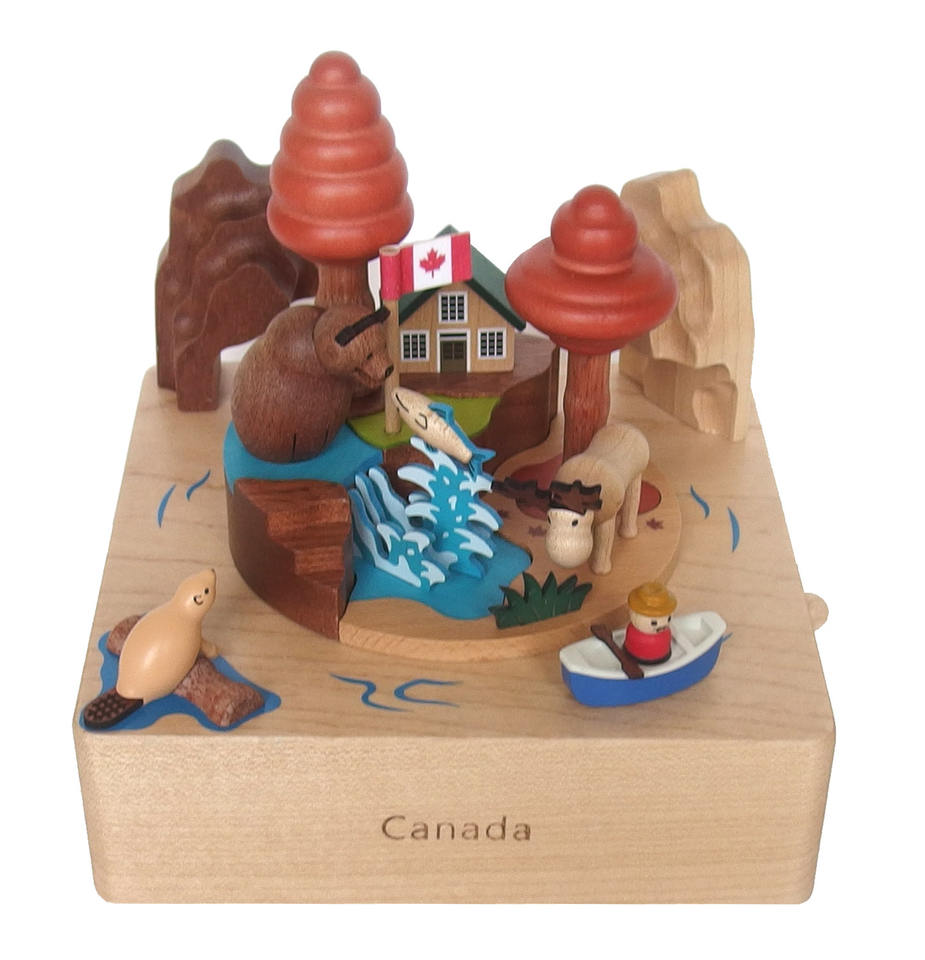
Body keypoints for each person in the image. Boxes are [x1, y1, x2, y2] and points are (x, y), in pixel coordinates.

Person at [624, 582, 677, 664]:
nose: (662, 625)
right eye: (654, 623)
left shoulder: (666, 633)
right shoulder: (633, 633)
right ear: (632, 613)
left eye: (668, 618)